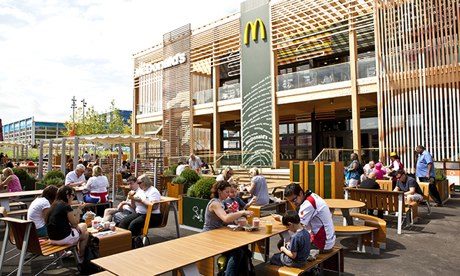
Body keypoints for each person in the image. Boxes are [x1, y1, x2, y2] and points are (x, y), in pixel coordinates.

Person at [203, 181, 253, 275]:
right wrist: (241, 212)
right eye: (226, 192)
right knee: (237, 252)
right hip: (209, 235)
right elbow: (225, 218)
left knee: (242, 248)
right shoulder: (215, 203)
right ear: (219, 191)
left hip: (218, 233)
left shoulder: (220, 202)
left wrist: (227, 211)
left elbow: (221, 215)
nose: (228, 194)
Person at [274, 183, 335, 252]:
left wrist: (281, 219)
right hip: (328, 239)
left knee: (284, 244)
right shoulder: (311, 196)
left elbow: (296, 225)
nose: (293, 203)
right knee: (289, 242)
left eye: (294, 200)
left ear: (300, 193)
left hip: (323, 244)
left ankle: (289, 261)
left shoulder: (308, 204)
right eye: (290, 201)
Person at [46, 186, 89, 264]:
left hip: (52, 238)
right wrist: (79, 209)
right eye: (73, 195)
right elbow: (75, 223)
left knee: (81, 227)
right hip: (62, 239)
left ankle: (78, 255)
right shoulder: (65, 206)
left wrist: (76, 226)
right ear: (67, 196)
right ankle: (81, 258)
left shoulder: (54, 205)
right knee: (85, 232)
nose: (73, 197)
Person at [119, 174, 162, 246]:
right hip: (140, 213)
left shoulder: (153, 191)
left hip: (153, 216)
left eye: (139, 183)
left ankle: (133, 245)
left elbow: (154, 207)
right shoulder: (141, 191)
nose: (138, 185)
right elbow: (134, 206)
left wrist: (141, 200)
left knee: (133, 225)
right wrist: (132, 198)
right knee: (123, 222)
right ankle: (123, 243)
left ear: (145, 182)